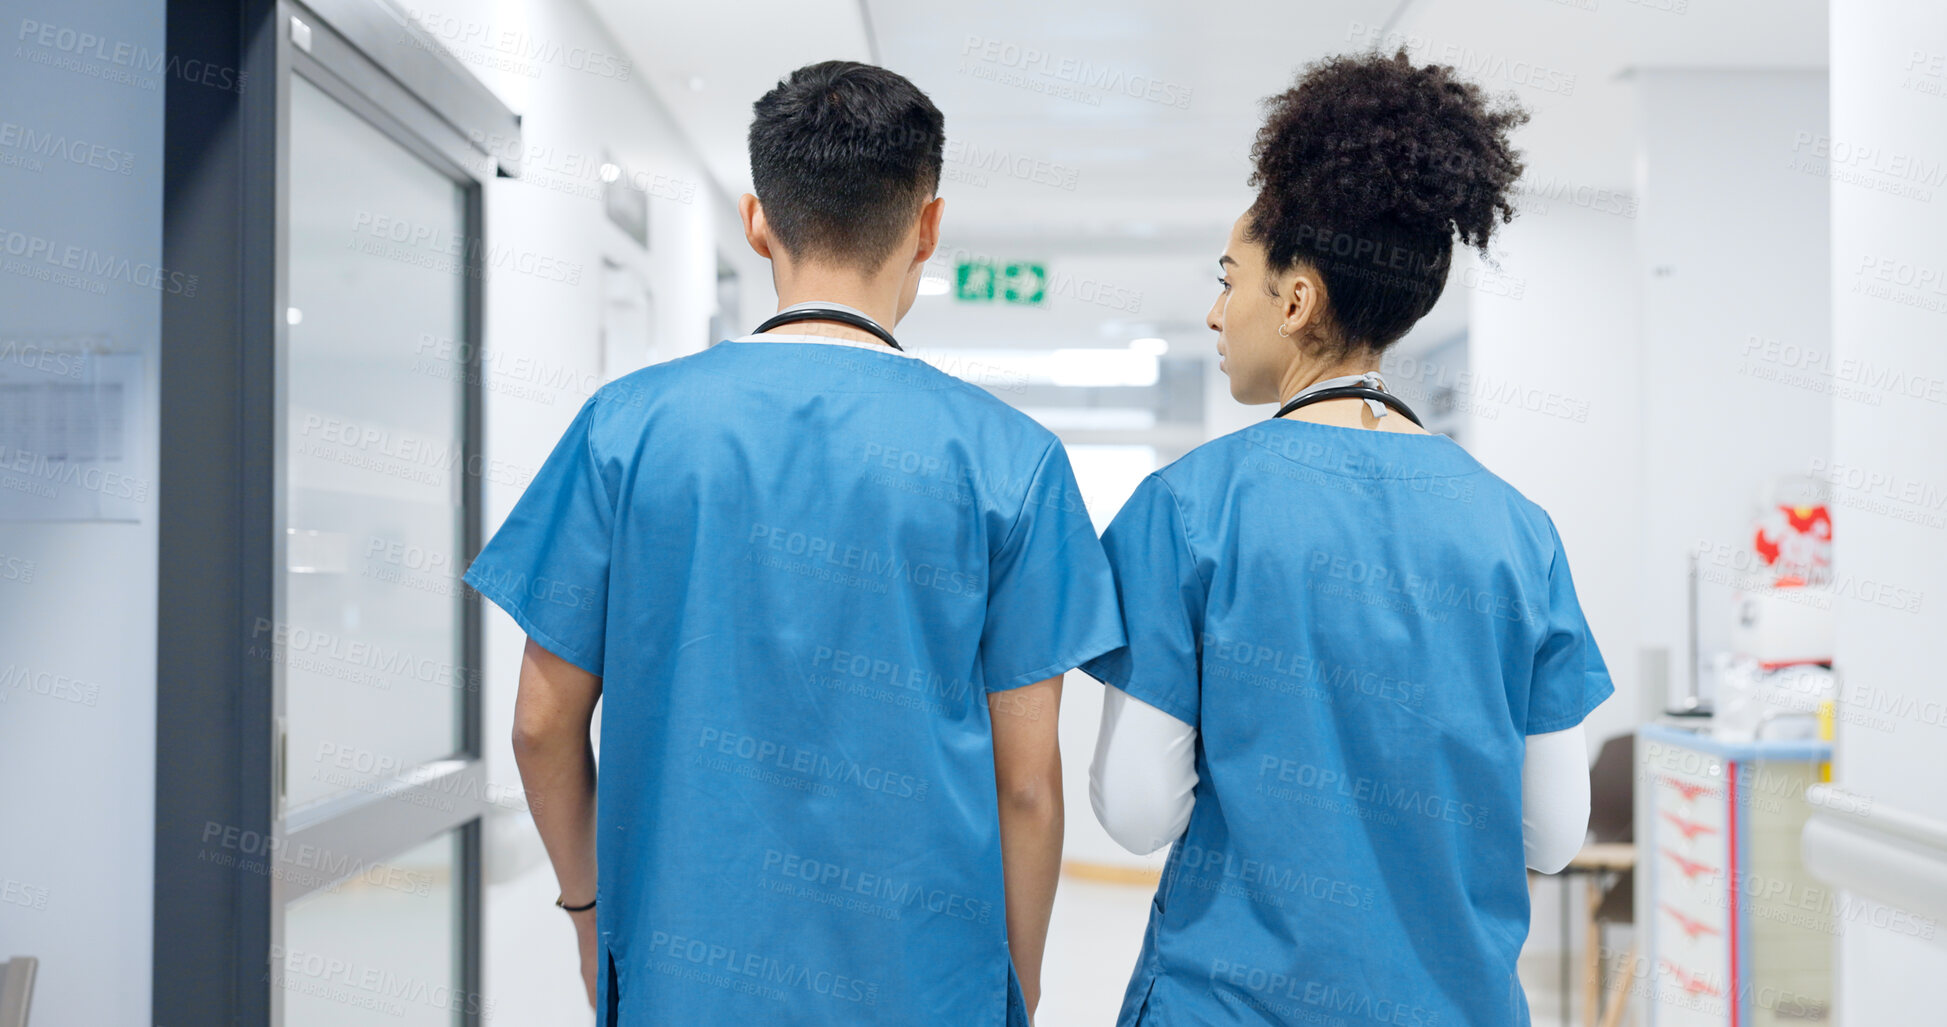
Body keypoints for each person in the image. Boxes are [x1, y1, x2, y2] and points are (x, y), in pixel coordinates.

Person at [464, 60, 1123, 1026]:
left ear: (756, 219)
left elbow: (538, 724)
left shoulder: (627, 429)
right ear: (929, 227)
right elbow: (1026, 784)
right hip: (925, 987)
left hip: (679, 982)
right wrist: (1012, 987)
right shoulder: (1009, 460)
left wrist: (587, 913)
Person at [1083, 50, 1611, 1026]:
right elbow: (1551, 830)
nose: (1213, 309)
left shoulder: (1187, 507)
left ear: (1295, 302)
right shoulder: (1515, 529)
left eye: (1227, 278)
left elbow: (1138, 809)